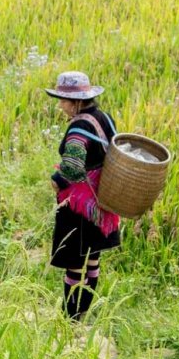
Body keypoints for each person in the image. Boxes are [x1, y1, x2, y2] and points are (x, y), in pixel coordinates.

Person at [47, 70, 120, 321]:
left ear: (77, 101)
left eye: (63, 100)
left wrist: (57, 180)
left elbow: (72, 164)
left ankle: (70, 318)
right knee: (92, 260)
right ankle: (82, 314)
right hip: (101, 202)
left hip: (80, 207)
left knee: (75, 263)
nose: (60, 105)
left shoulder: (80, 125)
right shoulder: (104, 118)